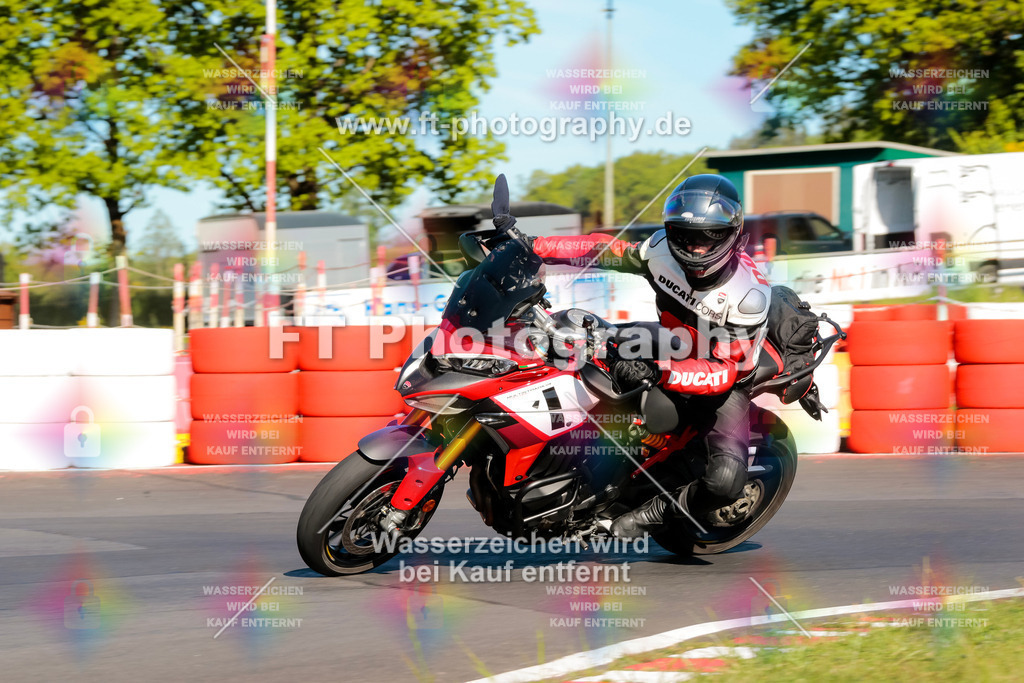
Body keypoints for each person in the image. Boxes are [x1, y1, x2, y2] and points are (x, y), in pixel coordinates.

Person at [529, 174, 772, 537]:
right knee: (578, 337)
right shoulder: (660, 249)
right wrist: (532, 245)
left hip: (725, 378)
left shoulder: (747, 295)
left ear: (733, 233)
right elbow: (601, 249)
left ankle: (641, 518)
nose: (697, 248)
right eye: (686, 235)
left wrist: (659, 372)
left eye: (710, 235)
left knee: (724, 481)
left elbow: (724, 372)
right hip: (672, 339)